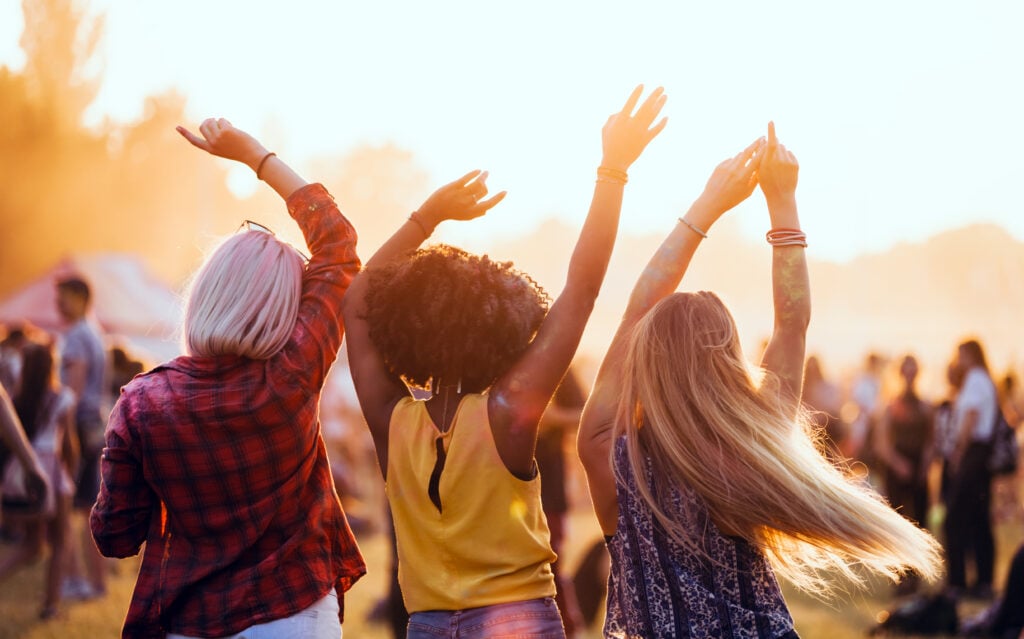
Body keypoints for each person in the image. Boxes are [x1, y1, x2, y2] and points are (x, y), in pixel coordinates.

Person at [577, 123, 944, 638]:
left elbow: (638, 308)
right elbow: (792, 327)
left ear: (645, 358)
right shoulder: (752, 444)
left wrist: (708, 204)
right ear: (727, 358)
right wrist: (783, 201)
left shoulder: (608, 453)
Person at [342, 86, 667, 638]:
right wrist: (612, 172)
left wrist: (427, 218)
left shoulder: (393, 424)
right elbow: (581, 290)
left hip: (427, 624)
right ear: (504, 331)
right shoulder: (505, 412)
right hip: (520, 622)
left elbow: (356, 304)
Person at [90, 118, 366, 638]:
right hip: (295, 615)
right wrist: (255, 156)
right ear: (283, 310)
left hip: (189, 620)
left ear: (208, 293)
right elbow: (337, 246)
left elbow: (116, 536)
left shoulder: (141, 403)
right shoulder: (291, 376)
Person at [0, 341, 78, 619]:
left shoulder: (16, 399)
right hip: (53, 473)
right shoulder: (62, 398)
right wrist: (72, 473)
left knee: (32, 545)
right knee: (61, 539)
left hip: (22, 471)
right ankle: (51, 605)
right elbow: (69, 445)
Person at [54, 274, 108, 599]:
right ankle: (98, 584)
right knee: (89, 509)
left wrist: (59, 433)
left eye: (62, 297)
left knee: (63, 509)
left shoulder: (75, 337)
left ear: (78, 297)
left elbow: (70, 394)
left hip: (76, 429)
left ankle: (74, 580)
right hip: (94, 427)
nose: (57, 304)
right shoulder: (95, 332)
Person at [875, 354, 934, 595]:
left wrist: (926, 465)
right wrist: (898, 464)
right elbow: (882, 443)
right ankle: (898, 577)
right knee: (897, 522)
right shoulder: (890, 404)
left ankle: (917, 576)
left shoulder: (925, 405)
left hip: (919, 468)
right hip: (897, 469)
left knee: (920, 522)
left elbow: (931, 440)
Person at [944, 338, 999, 600]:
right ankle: (984, 581)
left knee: (955, 518)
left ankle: (957, 582)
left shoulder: (976, 379)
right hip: (981, 455)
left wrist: (958, 452)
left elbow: (971, 417)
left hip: (973, 453)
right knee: (978, 518)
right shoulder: (984, 379)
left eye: (960, 355)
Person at [536, 366, 588, 636]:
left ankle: (567, 630)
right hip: (496, 486)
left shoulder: (559, 363)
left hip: (548, 489)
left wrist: (553, 418)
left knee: (551, 567)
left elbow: (585, 413)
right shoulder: (497, 353)